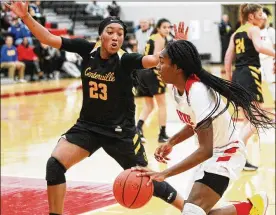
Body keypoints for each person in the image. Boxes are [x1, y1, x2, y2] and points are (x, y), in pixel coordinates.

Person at [4, 1, 189, 215]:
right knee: (54, 166)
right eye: (110, 32)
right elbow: (47, 38)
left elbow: (154, 59)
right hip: (88, 127)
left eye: (120, 33)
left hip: (121, 133)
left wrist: (177, 47)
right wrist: (26, 17)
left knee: (147, 180)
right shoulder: (86, 49)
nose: (116, 37)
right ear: (100, 35)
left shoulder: (126, 59)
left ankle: (188, 208)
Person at [132, 39, 273, 215]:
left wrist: (164, 174)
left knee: (192, 212)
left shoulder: (197, 91)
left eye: (162, 62)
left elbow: (206, 150)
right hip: (211, 156)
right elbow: (194, 124)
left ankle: (251, 209)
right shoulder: (176, 88)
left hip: (226, 153)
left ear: (177, 68)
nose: (158, 67)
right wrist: (171, 142)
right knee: (195, 211)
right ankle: (250, 209)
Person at [224, 3, 275, 171]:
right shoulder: (253, 29)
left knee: (247, 118)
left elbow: (227, 58)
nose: (263, 17)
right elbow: (260, 47)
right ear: (251, 16)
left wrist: (230, 79)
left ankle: (242, 160)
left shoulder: (236, 33)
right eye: (261, 14)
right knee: (256, 119)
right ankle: (235, 149)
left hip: (239, 74)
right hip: (250, 74)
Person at [135, 18, 173, 143]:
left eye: (169, 27)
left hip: (142, 72)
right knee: (162, 104)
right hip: (153, 72)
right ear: (158, 28)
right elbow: (157, 57)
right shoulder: (160, 39)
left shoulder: (153, 37)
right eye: (164, 27)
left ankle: (138, 129)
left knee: (149, 105)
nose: (167, 29)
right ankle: (162, 134)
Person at [260, 8, 275, 104]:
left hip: (269, 60)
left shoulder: (271, 31)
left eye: (265, 19)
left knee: (272, 84)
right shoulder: (253, 30)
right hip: (256, 61)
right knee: (254, 86)